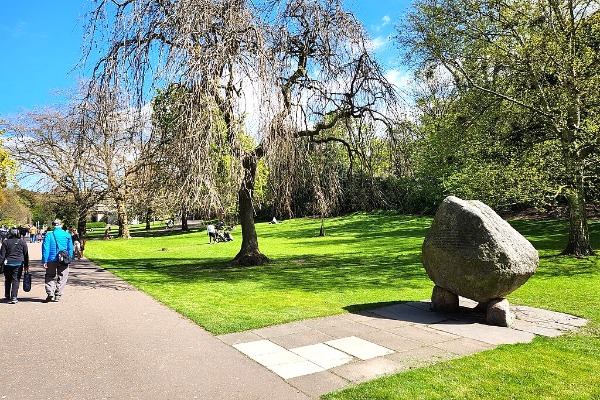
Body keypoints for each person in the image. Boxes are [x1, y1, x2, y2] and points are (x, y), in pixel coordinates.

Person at [41, 219, 74, 302]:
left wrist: (45, 260)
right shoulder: (67, 235)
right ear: (61, 225)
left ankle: (50, 292)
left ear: (53, 225)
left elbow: (45, 248)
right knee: (62, 276)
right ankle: (58, 294)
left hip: (51, 259)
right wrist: (70, 258)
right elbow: (70, 248)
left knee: (49, 276)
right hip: (63, 259)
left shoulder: (49, 235)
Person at [1, 228, 29, 304]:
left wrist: (0, 264)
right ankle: (14, 297)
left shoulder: (5, 242)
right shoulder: (22, 242)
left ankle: (7, 294)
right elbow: (26, 254)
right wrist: (26, 265)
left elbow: (2, 256)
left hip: (8, 263)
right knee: (16, 280)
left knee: (8, 279)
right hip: (18, 263)